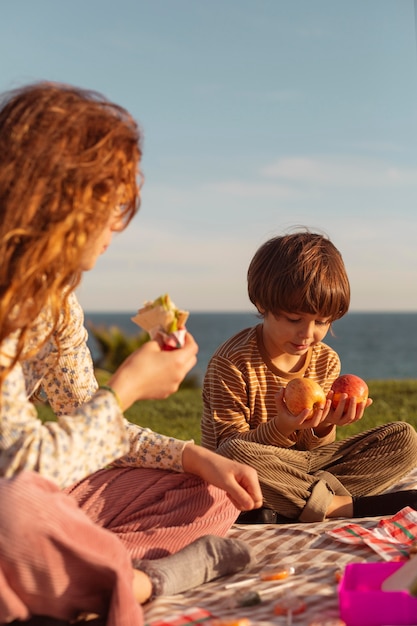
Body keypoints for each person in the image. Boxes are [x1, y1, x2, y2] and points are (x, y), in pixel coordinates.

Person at [0, 82, 263, 626]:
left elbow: (87, 428)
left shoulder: (54, 303)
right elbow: (18, 467)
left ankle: (80, 570)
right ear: (61, 201)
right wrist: (126, 389)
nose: (116, 227)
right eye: (110, 204)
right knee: (20, 509)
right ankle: (139, 578)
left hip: (37, 497)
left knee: (209, 491)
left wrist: (197, 458)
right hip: (12, 505)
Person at [201, 231, 417, 524]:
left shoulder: (326, 360)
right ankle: (340, 507)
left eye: (322, 322)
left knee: (404, 438)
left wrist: (325, 424)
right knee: (233, 453)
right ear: (262, 305)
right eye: (294, 320)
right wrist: (281, 426)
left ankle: (290, 504)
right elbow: (224, 454)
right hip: (248, 469)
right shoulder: (232, 363)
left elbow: (312, 454)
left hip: (300, 471)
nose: (307, 333)